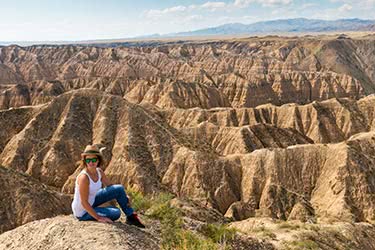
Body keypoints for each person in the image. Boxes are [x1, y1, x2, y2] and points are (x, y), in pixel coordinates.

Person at [71, 144, 145, 228]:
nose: (91, 162)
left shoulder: (99, 172)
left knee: (119, 188)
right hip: (83, 211)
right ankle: (97, 212)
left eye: (94, 159)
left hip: (92, 201)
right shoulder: (84, 178)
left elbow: (111, 187)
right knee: (116, 213)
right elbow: (84, 202)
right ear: (85, 161)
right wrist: (99, 217)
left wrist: (124, 196)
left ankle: (131, 217)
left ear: (98, 160)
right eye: (88, 160)